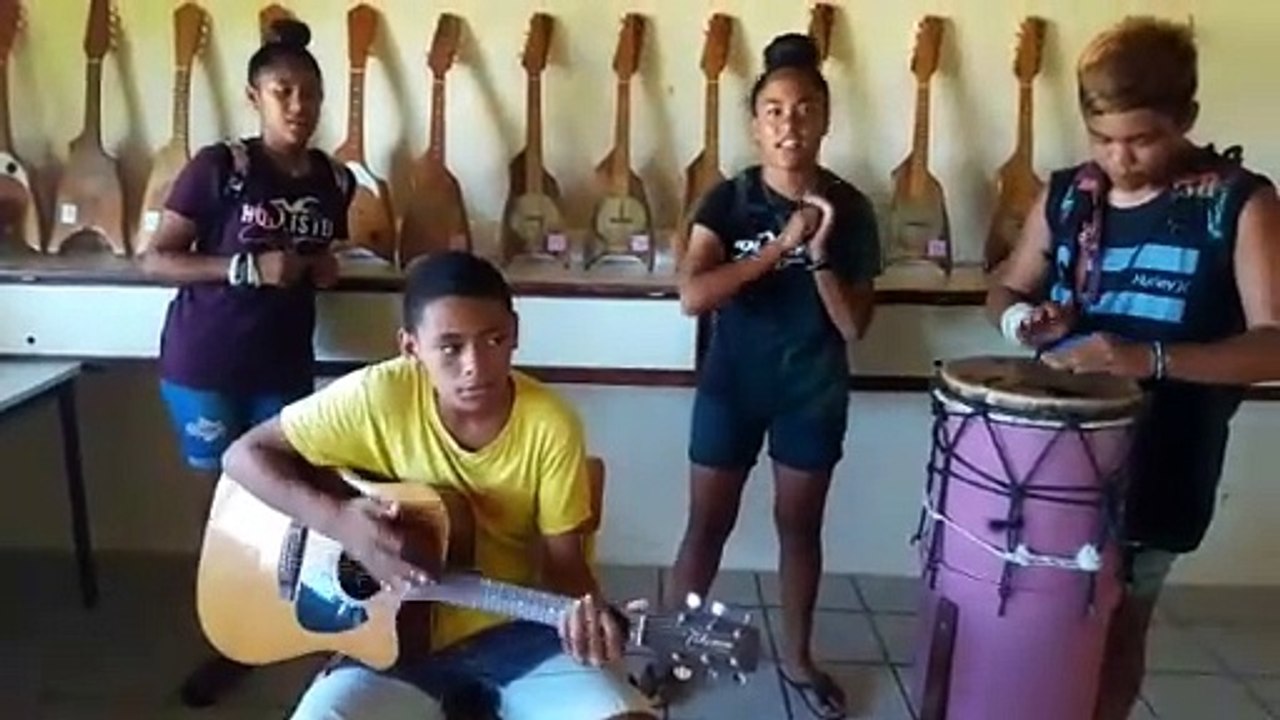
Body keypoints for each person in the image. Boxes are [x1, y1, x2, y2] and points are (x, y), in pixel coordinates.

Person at [985, 17, 1280, 720]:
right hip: (1055, 457)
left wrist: (1147, 358)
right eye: (1102, 139)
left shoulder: (1239, 202)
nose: (1119, 159)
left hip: (1165, 458)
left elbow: (1274, 343)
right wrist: (1024, 321)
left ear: (1187, 117)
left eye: (1142, 139)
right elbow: (1005, 287)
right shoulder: (1067, 195)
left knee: (1117, 628)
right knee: (1034, 618)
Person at [219, 251, 658, 720]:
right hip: (389, 644)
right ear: (411, 348)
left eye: (494, 339)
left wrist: (594, 622)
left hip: (519, 633)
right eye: (450, 347)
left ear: (515, 331)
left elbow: (565, 566)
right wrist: (341, 522)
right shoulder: (376, 396)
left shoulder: (551, 424)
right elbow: (243, 455)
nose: (476, 366)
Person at [659, 32, 881, 720]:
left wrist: (817, 254)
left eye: (805, 109)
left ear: (825, 119)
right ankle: (671, 652)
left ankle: (799, 659)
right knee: (706, 526)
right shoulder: (727, 201)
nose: (791, 124)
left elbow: (853, 326)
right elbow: (693, 296)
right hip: (732, 386)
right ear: (756, 124)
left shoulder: (851, 208)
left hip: (811, 390)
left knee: (799, 529)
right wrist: (778, 247)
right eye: (775, 111)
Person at [139, 18, 355, 707]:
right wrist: (244, 267)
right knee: (224, 505)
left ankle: (287, 619)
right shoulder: (220, 167)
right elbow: (156, 260)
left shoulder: (333, 179)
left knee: (290, 494)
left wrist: (324, 267)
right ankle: (227, 638)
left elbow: (321, 254)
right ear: (254, 97)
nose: (298, 105)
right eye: (283, 91)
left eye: (309, 93)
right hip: (205, 364)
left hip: (283, 366)